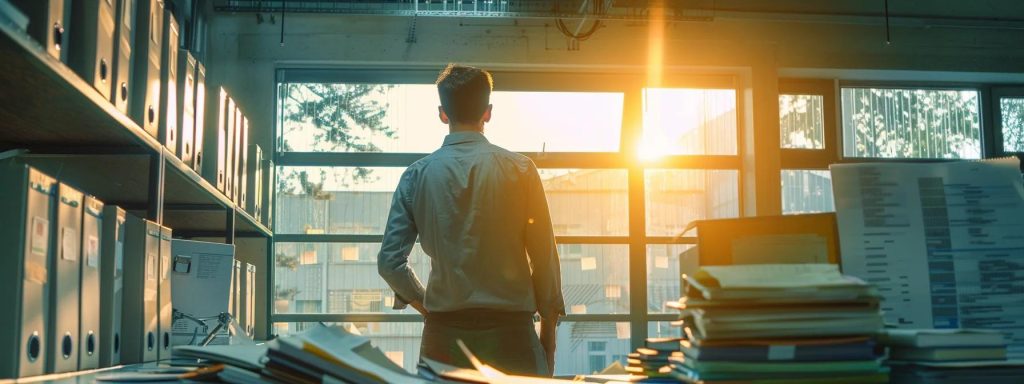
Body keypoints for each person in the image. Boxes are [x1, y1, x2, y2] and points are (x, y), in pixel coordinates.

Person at [377, 63, 565, 377]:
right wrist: (547, 343)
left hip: (444, 339)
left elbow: (389, 262)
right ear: (488, 112)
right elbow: (544, 260)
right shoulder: (521, 170)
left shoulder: (415, 176)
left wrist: (427, 305)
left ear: (442, 113)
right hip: (513, 339)